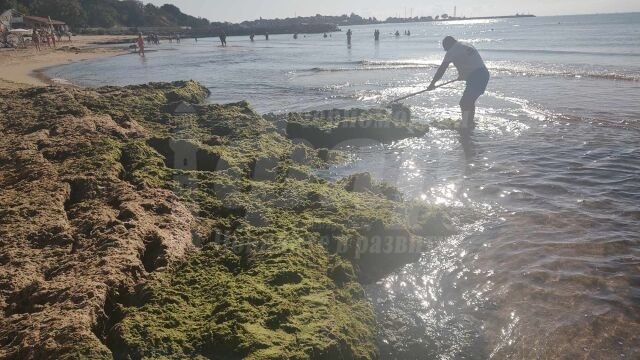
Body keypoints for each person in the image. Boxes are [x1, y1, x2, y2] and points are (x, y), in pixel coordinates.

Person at [427, 36, 490, 133]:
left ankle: (465, 125)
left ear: (448, 45)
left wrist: (432, 84)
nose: (446, 51)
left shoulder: (452, 51)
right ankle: (469, 123)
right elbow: (470, 61)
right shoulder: (465, 44)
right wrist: (463, 75)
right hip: (483, 74)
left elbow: (442, 69)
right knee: (469, 102)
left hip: (476, 77)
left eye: (446, 49)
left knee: (464, 103)